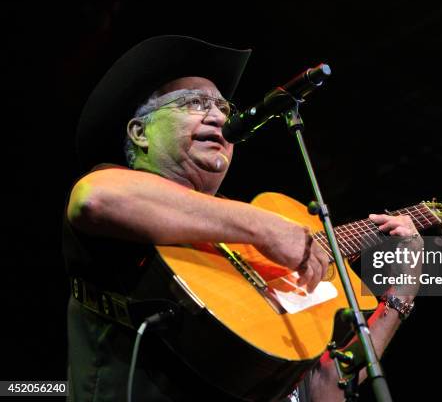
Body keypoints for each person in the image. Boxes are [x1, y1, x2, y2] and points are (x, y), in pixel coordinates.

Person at [64, 35, 422, 402]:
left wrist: (401, 294)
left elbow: (321, 391)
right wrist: (265, 228)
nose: (219, 116)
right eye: (195, 103)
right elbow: (95, 197)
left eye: (225, 108)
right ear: (140, 133)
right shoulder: (116, 185)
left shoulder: (236, 246)